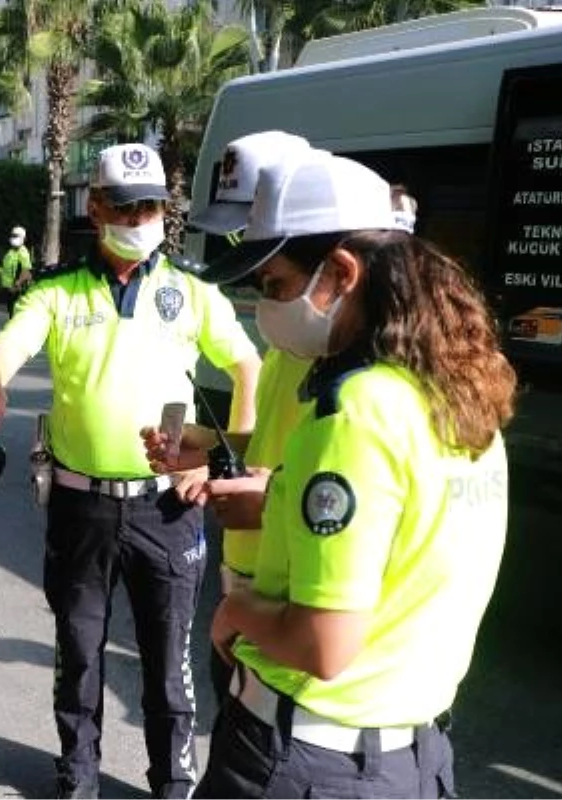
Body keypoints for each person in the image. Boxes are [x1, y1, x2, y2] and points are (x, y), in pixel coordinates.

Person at [173, 151, 514, 798]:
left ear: (341, 272)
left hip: (306, 763)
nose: (264, 308)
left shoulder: (354, 411)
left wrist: (239, 611)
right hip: (413, 757)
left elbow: (323, 644)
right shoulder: (462, 396)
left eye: (274, 285)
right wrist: (277, 495)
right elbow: (411, 527)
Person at [0, 143, 261, 800]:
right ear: (95, 207)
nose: (139, 217)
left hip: (167, 510)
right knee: (79, 658)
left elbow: (247, 366)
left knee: (167, 668)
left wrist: (225, 456)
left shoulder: (191, 289)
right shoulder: (56, 290)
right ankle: (79, 782)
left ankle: (172, 788)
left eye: (150, 204)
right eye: (124, 205)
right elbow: (11, 343)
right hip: (81, 507)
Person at [147, 132, 319, 707]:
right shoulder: (292, 336)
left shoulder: (343, 364)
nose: (244, 245)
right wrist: (209, 447)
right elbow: (274, 442)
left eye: (253, 225)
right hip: (252, 579)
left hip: (294, 598)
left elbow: (345, 485)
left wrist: (263, 496)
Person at [0, 224, 33, 316]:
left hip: (16, 290)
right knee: (11, 313)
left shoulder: (23, 252)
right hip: (9, 289)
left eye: (16, 236)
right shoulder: (11, 251)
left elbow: (26, 271)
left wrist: (17, 285)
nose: (13, 237)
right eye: (12, 235)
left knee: (15, 315)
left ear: (23, 238)